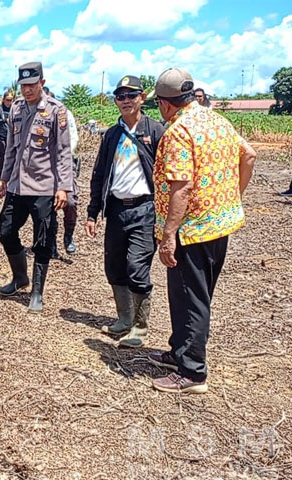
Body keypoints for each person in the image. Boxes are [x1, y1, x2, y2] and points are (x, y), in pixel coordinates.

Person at [148, 68, 256, 394]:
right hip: (220, 224)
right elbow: (249, 155)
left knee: (190, 299)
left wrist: (169, 235)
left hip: (192, 231)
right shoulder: (217, 120)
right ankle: (180, 351)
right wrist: (232, 197)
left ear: (166, 104)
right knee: (197, 295)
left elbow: (181, 187)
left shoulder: (178, 132)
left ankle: (192, 372)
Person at [85, 75, 165, 348]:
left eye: (131, 95)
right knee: (115, 266)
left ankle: (140, 328)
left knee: (137, 268)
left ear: (142, 97)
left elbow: (166, 175)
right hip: (117, 210)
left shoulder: (155, 131)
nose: (126, 101)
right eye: (120, 96)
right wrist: (93, 212)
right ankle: (124, 318)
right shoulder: (112, 134)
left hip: (145, 210)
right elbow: (99, 174)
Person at [0, 62, 73, 313]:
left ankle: (37, 291)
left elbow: (63, 152)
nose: (27, 90)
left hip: (44, 186)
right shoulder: (16, 108)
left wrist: (63, 187)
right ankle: (20, 277)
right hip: (17, 185)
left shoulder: (56, 110)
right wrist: (4, 178)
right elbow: (11, 147)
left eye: (31, 85)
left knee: (42, 239)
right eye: (23, 86)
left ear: (42, 82)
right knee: (6, 230)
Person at [45, 87, 80, 257]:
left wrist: (62, 155)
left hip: (65, 163)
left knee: (70, 202)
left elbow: (73, 138)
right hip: (45, 166)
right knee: (48, 206)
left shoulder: (65, 114)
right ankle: (51, 243)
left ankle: (68, 236)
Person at [0, 91, 13, 178]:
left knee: (11, 156)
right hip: (1, 136)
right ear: (3, 99)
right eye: (7, 100)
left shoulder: (13, 109)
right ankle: (1, 176)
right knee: (1, 156)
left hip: (11, 136)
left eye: (11, 100)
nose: (9, 102)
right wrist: (5, 120)